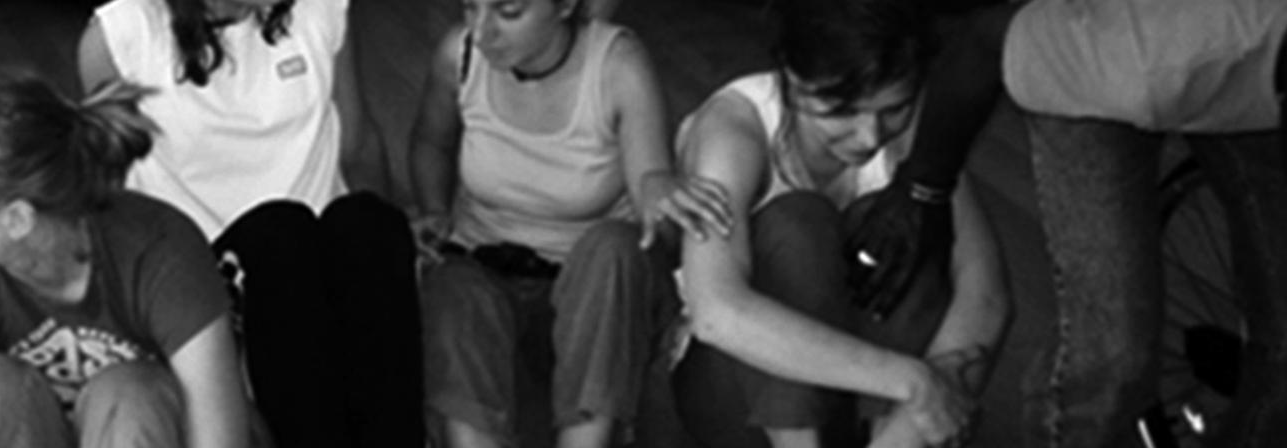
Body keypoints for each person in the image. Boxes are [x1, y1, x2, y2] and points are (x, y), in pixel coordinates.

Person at [842, 0, 1287, 444]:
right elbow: (983, 44)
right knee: (1112, 353)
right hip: (1116, 38)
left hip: (1275, 58)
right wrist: (924, 189)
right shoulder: (1153, 60)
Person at [664, 0, 1010, 446]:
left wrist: (913, 424)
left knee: (920, 215)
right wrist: (914, 381)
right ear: (792, 78)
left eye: (895, 108)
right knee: (798, 222)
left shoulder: (918, 130)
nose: (869, 136)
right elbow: (716, 311)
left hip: (864, 415)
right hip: (740, 405)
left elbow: (986, 295)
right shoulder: (734, 127)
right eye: (843, 111)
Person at [77, 0, 421, 446]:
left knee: (371, 223)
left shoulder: (320, 8)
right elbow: (108, 198)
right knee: (279, 235)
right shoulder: (121, 34)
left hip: (317, 246)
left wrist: (401, 233)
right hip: (205, 268)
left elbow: (358, 145)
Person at [0, 70, 249, 448]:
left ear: (17, 219)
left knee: (130, 392)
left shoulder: (159, 249)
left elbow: (220, 434)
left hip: (151, 429)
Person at [403, 0, 701, 446]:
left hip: (592, 294)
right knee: (452, 284)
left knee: (615, 249)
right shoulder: (460, 55)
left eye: (508, 12)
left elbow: (651, 201)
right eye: (470, 8)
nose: (482, 32)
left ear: (564, 6)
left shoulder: (618, 65)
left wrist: (660, 191)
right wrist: (434, 210)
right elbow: (431, 142)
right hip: (486, 271)